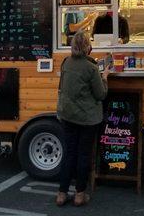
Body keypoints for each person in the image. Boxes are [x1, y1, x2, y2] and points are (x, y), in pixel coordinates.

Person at [56, 30, 110, 207]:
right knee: (83, 155)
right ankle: (79, 194)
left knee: (69, 153)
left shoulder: (66, 63)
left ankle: (62, 194)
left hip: (67, 115)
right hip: (87, 118)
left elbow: (62, 87)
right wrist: (105, 77)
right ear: (88, 47)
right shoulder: (92, 67)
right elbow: (101, 94)